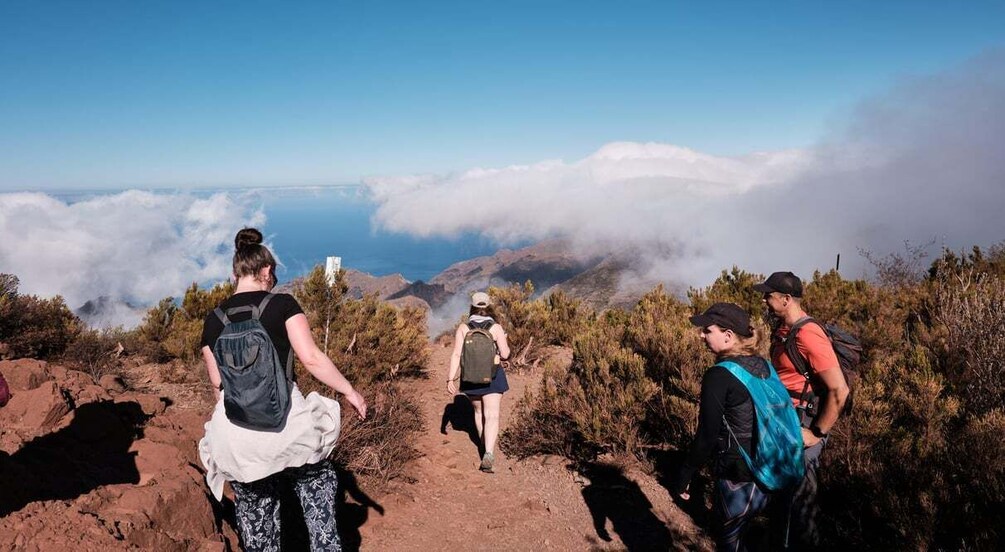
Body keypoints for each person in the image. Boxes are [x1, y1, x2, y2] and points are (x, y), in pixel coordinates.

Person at [198, 228, 367, 552]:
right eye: (273, 273)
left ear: (235, 273)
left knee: (256, 517)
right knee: (317, 481)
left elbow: (217, 383)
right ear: (265, 271)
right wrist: (349, 391)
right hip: (287, 424)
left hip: (236, 435)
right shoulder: (282, 305)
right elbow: (312, 359)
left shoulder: (212, 320)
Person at [672, 302, 790, 552]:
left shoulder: (719, 375)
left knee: (729, 543)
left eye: (707, 330)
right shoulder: (764, 366)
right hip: (774, 469)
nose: (701, 335)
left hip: (738, 474)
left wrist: (686, 474)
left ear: (728, 336)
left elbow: (707, 435)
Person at [754, 271, 849, 549]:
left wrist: (816, 433)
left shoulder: (808, 334)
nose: (764, 300)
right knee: (784, 504)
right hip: (787, 423)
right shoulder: (785, 331)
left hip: (802, 425)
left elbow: (839, 390)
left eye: (768, 296)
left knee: (799, 506)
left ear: (786, 299)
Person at [446, 291, 510, 473]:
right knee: (492, 415)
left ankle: (483, 446)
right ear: (487, 305)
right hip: (493, 376)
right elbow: (505, 354)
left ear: (472, 306)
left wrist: (450, 378)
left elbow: (457, 354)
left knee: (478, 412)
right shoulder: (496, 327)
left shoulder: (463, 328)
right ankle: (489, 452)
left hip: (470, 377)